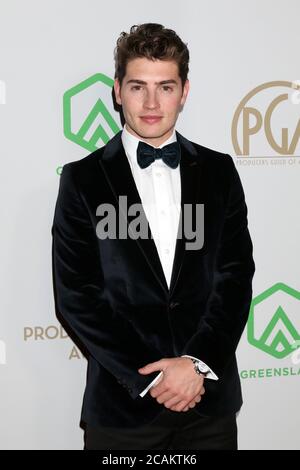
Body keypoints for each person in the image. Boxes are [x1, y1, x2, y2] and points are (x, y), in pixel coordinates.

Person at [51, 23, 255, 450]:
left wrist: (195, 366)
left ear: (184, 91)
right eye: (137, 86)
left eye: (164, 87)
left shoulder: (219, 173)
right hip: (124, 410)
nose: (149, 102)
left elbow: (234, 278)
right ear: (116, 90)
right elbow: (77, 294)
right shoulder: (84, 180)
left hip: (209, 409)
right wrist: (159, 376)